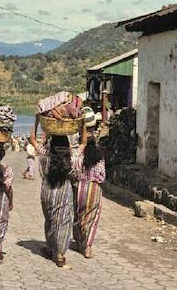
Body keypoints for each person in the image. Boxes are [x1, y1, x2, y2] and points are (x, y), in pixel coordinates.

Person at [30, 115, 87, 268]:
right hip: (64, 190)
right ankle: (60, 254)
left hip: (47, 190)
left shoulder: (45, 154)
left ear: (52, 144)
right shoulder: (73, 158)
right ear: (68, 146)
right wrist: (82, 124)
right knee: (63, 221)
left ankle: (50, 248)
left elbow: (33, 140)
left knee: (49, 220)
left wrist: (36, 121)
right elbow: (83, 143)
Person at [72, 108, 106, 259]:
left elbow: (74, 171)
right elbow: (101, 176)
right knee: (93, 218)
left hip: (79, 187)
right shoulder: (99, 155)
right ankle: (87, 247)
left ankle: (79, 241)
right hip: (94, 187)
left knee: (79, 216)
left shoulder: (78, 154)